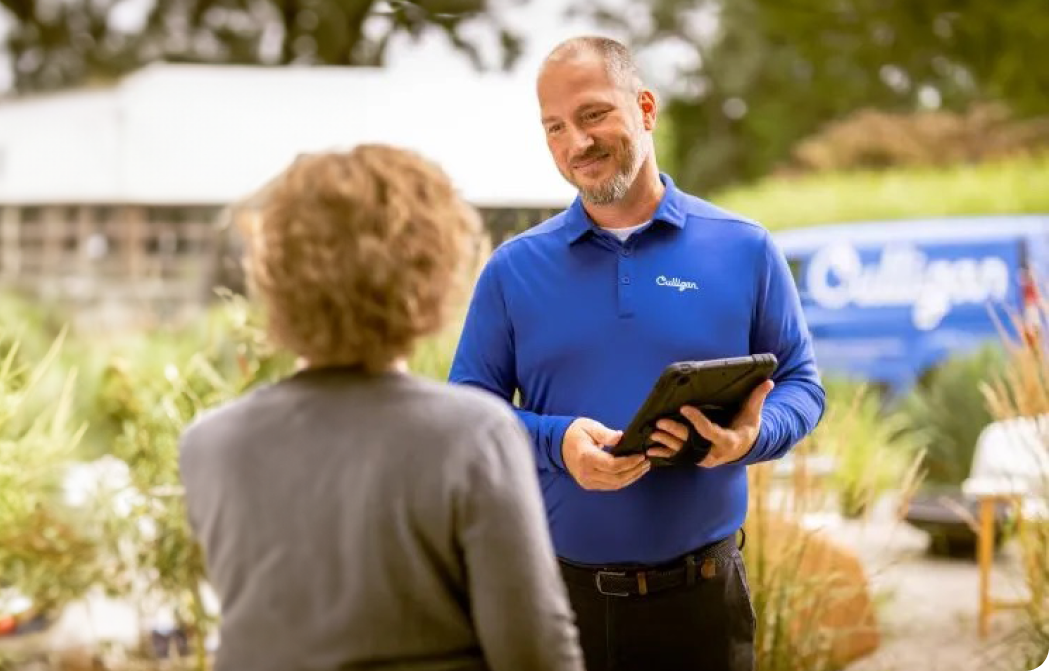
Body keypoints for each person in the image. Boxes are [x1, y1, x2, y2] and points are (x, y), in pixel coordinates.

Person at [447, 36, 827, 671]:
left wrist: (751, 437)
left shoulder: (744, 249)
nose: (576, 143)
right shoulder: (513, 270)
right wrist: (557, 441)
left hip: (704, 606)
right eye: (555, 128)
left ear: (645, 109)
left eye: (593, 114)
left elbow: (802, 386)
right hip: (558, 603)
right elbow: (467, 413)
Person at [178, 143, 586, 671]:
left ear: (274, 270)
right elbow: (536, 656)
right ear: (429, 270)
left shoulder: (209, 444)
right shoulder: (472, 435)